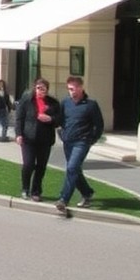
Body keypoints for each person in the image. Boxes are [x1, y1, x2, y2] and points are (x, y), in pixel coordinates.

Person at [56, 75, 104, 218]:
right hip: (68, 141)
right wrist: (61, 133)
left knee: (71, 168)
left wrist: (92, 139)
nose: (71, 91)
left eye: (74, 88)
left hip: (82, 142)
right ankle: (87, 193)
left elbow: (99, 125)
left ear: (81, 87)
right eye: (69, 89)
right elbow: (60, 120)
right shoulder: (65, 103)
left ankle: (63, 199)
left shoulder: (91, 105)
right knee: (75, 169)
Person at [14, 78, 62, 202]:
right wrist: (18, 134)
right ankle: (25, 189)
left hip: (45, 139)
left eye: (44, 88)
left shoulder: (53, 103)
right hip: (28, 138)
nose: (41, 90)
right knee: (28, 164)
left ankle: (36, 191)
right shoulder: (27, 100)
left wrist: (50, 119)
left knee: (41, 166)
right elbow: (19, 118)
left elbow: (59, 120)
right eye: (39, 88)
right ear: (34, 88)